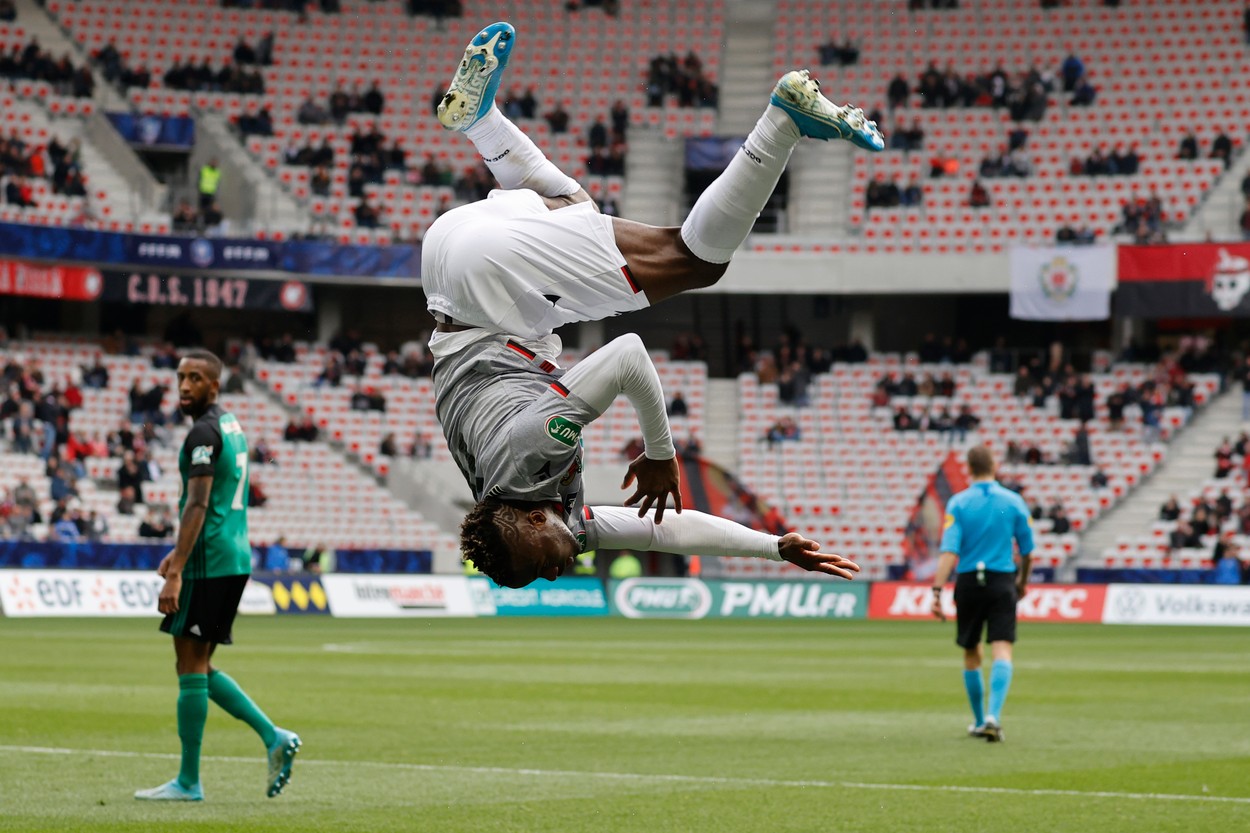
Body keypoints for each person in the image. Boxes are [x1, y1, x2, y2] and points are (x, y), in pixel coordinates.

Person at [428, 22, 879, 589]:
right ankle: (481, 123)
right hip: (461, 276)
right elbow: (660, 530)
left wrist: (660, 452)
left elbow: (628, 356)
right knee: (573, 205)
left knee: (695, 262)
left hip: (491, 290)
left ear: (533, 519)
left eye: (540, 564)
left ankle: (784, 121)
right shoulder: (535, 507)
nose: (555, 571)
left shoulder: (530, 453)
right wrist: (772, 548)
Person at [134, 350, 300, 803]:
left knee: (189, 666)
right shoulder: (229, 425)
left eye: (195, 378)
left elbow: (199, 503)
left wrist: (178, 572)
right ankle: (273, 738)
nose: (184, 386)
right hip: (233, 555)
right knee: (198, 666)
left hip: (210, 561)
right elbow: (220, 499)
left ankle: (190, 781)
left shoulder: (203, 432)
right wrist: (176, 553)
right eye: (180, 377)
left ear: (214, 385)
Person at [929, 445, 1034, 743]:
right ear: (994, 464)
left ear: (969, 468)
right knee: (1002, 648)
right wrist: (1022, 582)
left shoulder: (959, 503)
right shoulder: (1013, 502)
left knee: (971, 651)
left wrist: (937, 590)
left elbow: (950, 550)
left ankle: (977, 720)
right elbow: (1028, 552)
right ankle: (993, 717)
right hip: (1002, 580)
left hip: (969, 581)